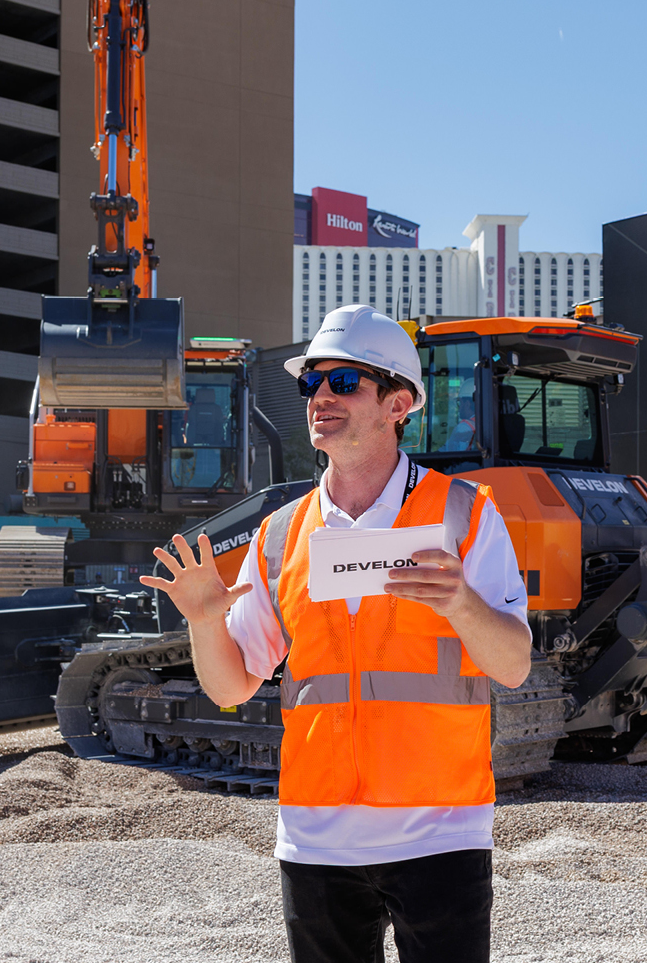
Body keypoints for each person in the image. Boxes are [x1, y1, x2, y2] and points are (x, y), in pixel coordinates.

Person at [143, 305, 532, 963]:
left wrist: (461, 603)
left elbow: (514, 664)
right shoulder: (280, 534)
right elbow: (231, 682)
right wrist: (205, 619)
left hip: (441, 831)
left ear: (397, 402)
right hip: (316, 838)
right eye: (312, 382)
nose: (320, 396)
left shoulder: (465, 515)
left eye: (344, 381)